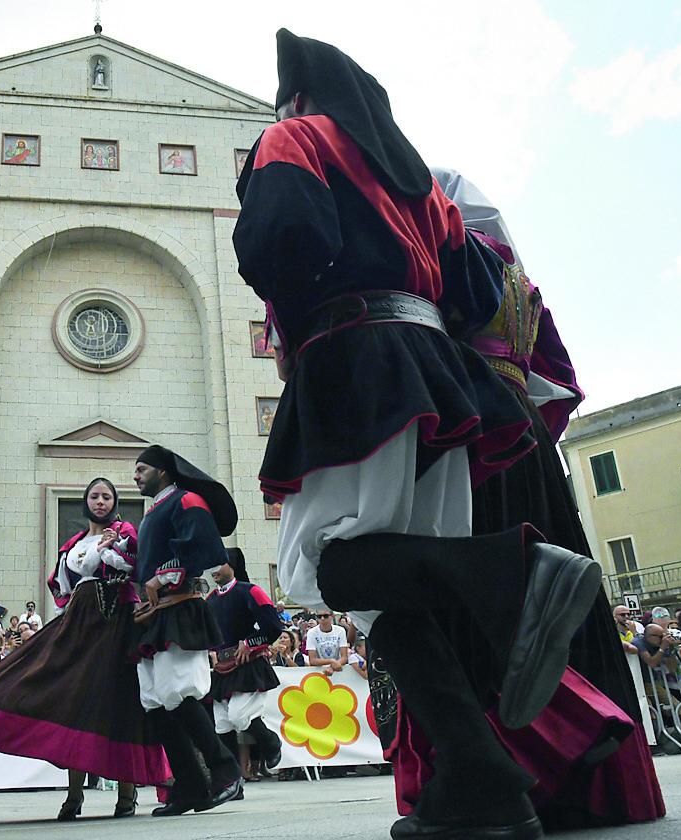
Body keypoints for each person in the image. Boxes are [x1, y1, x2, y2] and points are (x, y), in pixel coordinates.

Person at [233, 31, 605, 840]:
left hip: (354, 364)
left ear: (296, 99)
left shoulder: (292, 137)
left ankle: (515, 566)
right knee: (387, 588)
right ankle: (483, 783)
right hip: (438, 377)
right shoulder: (422, 185)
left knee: (313, 564)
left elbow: (278, 241)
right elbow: (479, 288)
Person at [390, 169, 665, 829]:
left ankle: (513, 780)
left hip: (470, 429)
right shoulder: (518, 282)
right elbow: (558, 381)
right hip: (528, 438)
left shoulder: (438, 260)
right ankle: (600, 784)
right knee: (553, 584)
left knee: (483, 591)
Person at [0, 477, 167, 820]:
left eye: (107, 496)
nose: (101, 502)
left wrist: (113, 551)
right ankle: (74, 794)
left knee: (119, 699)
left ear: (115, 502)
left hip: (116, 621)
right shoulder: (73, 544)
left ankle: (127, 792)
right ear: (85, 502)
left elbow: (139, 567)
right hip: (79, 622)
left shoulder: (125, 532)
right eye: (95, 496)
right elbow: (63, 587)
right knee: (71, 698)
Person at [130, 445, 242, 816]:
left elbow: (204, 544)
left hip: (179, 609)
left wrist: (164, 576)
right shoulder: (154, 512)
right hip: (153, 616)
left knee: (179, 691)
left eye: (142, 469)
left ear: (163, 471)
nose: (136, 476)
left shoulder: (186, 499)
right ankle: (191, 786)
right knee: (156, 701)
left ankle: (225, 770)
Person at [206, 548, 284, 782]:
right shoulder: (210, 599)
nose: (214, 571)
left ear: (232, 565)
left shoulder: (251, 591)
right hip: (221, 669)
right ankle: (232, 783)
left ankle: (272, 744)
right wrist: (209, 651)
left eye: (218, 565)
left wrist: (251, 642)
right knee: (221, 724)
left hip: (248, 665)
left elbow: (273, 626)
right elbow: (208, 633)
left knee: (239, 715)